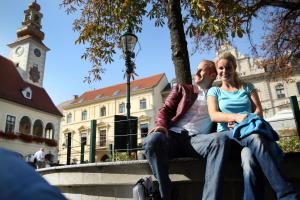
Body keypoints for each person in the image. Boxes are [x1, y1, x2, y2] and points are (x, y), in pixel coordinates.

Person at [207, 52, 299, 200]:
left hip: (248, 129)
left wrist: (245, 120)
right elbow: (214, 115)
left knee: (248, 159)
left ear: (234, 68)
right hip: (227, 134)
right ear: (217, 71)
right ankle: (287, 195)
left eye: (228, 67)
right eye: (221, 68)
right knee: (256, 137)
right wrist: (235, 117)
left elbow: (258, 111)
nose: (225, 71)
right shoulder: (214, 91)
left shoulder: (247, 87)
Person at [143, 60, 230, 200]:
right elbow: (165, 110)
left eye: (201, 70)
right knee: (152, 140)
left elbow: (229, 110)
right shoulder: (182, 89)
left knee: (220, 140)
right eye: (196, 69)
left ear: (212, 75)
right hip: (173, 136)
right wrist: (161, 126)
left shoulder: (219, 95)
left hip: (197, 140)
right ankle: (168, 194)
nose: (196, 73)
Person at [0, 148, 66, 200]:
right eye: (43, 150)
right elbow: (42, 157)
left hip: (36, 162)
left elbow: (34, 157)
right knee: (41, 168)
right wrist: (44, 161)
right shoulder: (41, 152)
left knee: (38, 169)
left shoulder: (37, 152)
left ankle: (39, 172)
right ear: (42, 150)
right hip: (39, 162)